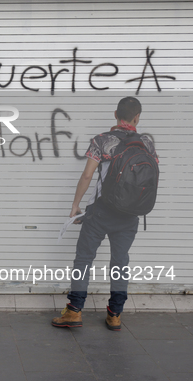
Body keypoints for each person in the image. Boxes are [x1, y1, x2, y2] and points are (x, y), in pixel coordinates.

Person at [51, 97, 158, 331]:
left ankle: (74, 312)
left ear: (115, 114)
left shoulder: (102, 140)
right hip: (130, 214)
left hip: (101, 211)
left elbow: (88, 176)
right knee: (120, 262)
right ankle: (115, 314)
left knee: (84, 259)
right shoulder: (147, 143)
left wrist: (75, 205)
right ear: (137, 117)